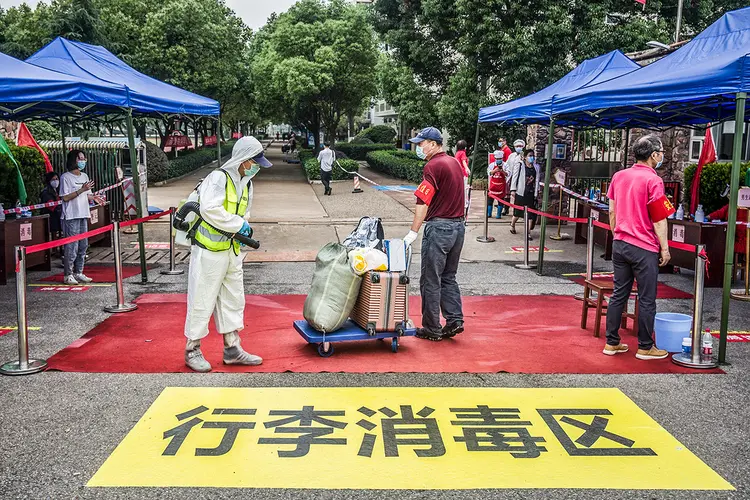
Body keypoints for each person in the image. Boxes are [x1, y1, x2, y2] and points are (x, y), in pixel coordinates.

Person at [184, 136, 273, 372]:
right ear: (243, 159)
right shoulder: (218, 178)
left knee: (233, 300)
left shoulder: (247, 183)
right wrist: (237, 224)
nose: (256, 167)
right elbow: (209, 209)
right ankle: (192, 349)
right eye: (254, 161)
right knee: (202, 300)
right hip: (209, 251)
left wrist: (242, 225)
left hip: (231, 251)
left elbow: (244, 212)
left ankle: (232, 349)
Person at [603, 134, 675, 361]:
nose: (662, 156)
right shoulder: (654, 181)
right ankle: (645, 346)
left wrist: (617, 234)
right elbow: (659, 219)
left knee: (618, 294)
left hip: (620, 243)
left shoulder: (619, 176)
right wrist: (665, 247)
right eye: (661, 152)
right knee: (646, 298)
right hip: (644, 246)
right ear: (653, 155)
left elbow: (612, 211)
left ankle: (611, 342)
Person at [402, 127, 465, 341]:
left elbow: (423, 201)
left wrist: (413, 232)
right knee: (449, 277)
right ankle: (455, 319)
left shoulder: (433, 166)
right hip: (458, 227)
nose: (419, 147)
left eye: (421, 143)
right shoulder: (453, 162)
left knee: (430, 279)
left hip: (439, 228)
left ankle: (431, 328)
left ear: (433, 143)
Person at [59, 150, 105, 285]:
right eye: (80, 158)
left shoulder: (84, 176)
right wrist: (82, 190)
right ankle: (68, 274)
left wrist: (94, 197)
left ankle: (79, 272)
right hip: (71, 215)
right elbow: (65, 197)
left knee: (83, 245)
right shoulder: (65, 177)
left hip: (83, 214)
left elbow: (87, 195)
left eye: (84, 158)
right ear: (73, 160)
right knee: (71, 246)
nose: (83, 161)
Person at [509, 148, 541, 239]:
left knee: (530, 214)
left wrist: (537, 191)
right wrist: (513, 190)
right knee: (518, 213)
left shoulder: (536, 167)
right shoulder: (519, 165)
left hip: (531, 193)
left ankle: (528, 233)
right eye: (530, 156)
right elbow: (515, 177)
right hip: (520, 192)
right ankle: (512, 224)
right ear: (525, 157)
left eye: (533, 156)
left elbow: (537, 180)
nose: (532, 158)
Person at [41, 171, 63, 242]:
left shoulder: (57, 190)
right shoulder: (46, 192)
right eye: (53, 180)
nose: (56, 181)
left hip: (58, 216)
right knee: (53, 235)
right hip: (51, 216)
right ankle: (54, 250)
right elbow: (50, 206)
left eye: (57, 179)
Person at [497, 137, 513, 214]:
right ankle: (501, 204)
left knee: (507, 192)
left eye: (501, 141)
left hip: (505, 172)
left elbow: (508, 162)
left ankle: (506, 209)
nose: (500, 143)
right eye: (499, 141)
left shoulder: (507, 150)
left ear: (505, 141)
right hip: (500, 172)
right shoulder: (501, 150)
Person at [454, 140, 470, 212]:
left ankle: (458, 203)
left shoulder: (457, 153)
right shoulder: (463, 153)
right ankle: (464, 204)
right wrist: (467, 169)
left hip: (457, 173)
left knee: (459, 188)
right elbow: (463, 162)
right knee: (464, 189)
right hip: (463, 173)